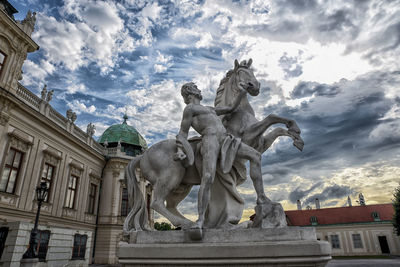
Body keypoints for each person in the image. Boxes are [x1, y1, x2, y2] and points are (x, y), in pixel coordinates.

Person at [175, 82, 269, 230]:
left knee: (256, 156)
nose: (199, 89)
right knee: (208, 177)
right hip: (210, 140)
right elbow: (182, 132)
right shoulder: (190, 109)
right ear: (190, 92)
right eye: (196, 87)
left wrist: (242, 92)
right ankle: (200, 220)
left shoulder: (210, 109)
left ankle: (262, 198)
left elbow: (231, 108)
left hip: (226, 140)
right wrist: (181, 149)